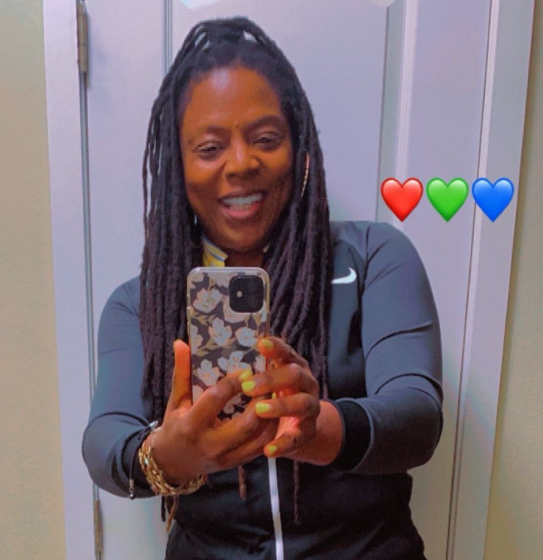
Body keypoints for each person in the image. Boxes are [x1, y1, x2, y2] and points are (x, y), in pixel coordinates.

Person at [82, 16, 443, 560]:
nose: (241, 163)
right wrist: (165, 457)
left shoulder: (373, 258)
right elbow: (104, 439)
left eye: (265, 139)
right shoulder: (139, 304)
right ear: (178, 168)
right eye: (209, 148)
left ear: (299, 149)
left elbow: (417, 415)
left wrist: (322, 429)